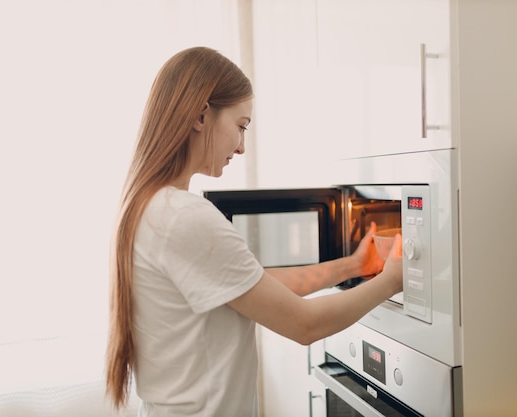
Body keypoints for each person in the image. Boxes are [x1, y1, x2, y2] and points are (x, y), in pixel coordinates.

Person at [105, 46, 403, 417]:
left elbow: (253, 285)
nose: (242, 147)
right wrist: (391, 281)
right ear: (201, 115)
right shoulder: (184, 217)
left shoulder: (152, 207)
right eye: (241, 126)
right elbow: (304, 323)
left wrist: (354, 266)